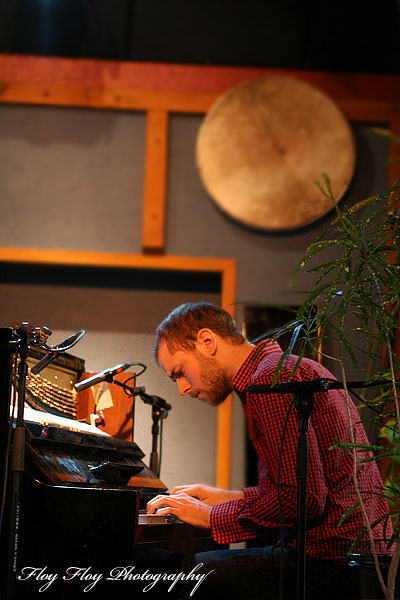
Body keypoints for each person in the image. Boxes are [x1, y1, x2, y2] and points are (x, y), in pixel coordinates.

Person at [147, 302, 393, 599]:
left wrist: (211, 516)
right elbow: (299, 485)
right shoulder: (281, 368)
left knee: (176, 578)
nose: (182, 389)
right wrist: (230, 497)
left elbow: (304, 500)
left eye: (180, 372)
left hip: (332, 564)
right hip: (354, 556)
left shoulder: (270, 380)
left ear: (207, 342)